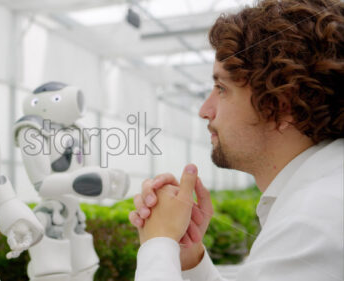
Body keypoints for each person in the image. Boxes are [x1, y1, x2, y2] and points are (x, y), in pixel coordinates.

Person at [129, 0, 344, 280]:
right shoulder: (324, 196)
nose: (204, 110)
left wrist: (158, 243)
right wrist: (188, 258)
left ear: (280, 106)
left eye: (222, 88)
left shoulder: (312, 224)